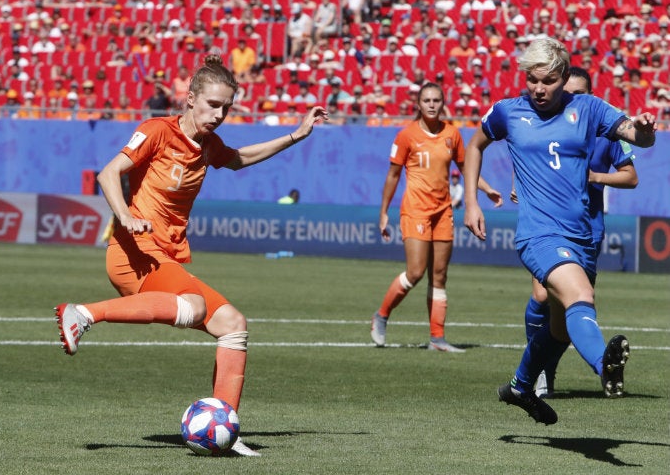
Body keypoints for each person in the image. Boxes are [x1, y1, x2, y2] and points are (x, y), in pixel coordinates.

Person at [54, 55, 328, 456]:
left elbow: (240, 158)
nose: (219, 114)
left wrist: (295, 135)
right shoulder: (157, 131)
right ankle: (83, 313)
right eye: (213, 105)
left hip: (164, 256)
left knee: (233, 324)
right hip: (133, 252)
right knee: (196, 306)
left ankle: (226, 431)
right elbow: (108, 174)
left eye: (226, 108)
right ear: (191, 99)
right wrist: (126, 215)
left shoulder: (208, 146)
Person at [463, 38, 656, 425]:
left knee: (559, 329)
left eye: (548, 81)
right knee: (580, 295)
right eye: (532, 80)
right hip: (539, 235)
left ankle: (520, 386)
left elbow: (640, 141)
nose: (538, 88)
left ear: (564, 78)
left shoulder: (587, 108)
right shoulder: (507, 112)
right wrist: (471, 202)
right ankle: (606, 365)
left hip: (582, 236)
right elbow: (474, 146)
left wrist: (646, 129)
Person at [512, 66, 639, 398]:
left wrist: (596, 177)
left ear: (591, 96)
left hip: (588, 229)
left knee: (570, 308)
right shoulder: (547, 124)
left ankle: (537, 375)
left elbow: (631, 176)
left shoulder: (605, 130)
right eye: (569, 93)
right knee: (542, 295)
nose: (572, 99)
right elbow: (530, 160)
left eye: (580, 94)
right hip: (547, 228)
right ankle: (543, 374)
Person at [371, 83, 503, 352]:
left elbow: (466, 168)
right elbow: (393, 176)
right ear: (418, 105)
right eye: (426, 100)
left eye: (436, 100)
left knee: (439, 275)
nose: (431, 105)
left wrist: (486, 188)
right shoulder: (406, 136)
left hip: (443, 210)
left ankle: (437, 338)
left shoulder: (452, 134)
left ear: (443, 104)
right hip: (416, 209)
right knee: (416, 271)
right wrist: (384, 212)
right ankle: (381, 315)